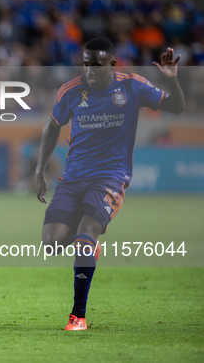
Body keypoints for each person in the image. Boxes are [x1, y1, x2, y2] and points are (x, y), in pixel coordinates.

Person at [35, 37, 185, 330]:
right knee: (51, 244)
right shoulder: (71, 90)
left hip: (110, 177)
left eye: (97, 65)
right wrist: (40, 169)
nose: (90, 70)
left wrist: (173, 80)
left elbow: (177, 107)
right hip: (74, 176)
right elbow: (52, 126)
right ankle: (86, 240)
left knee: (85, 236)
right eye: (86, 63)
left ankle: (78, 315)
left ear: (112, 65)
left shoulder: (132, 86)